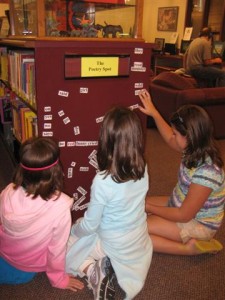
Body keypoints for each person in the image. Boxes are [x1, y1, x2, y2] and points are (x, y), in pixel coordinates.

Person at [66, 106, 153, 300]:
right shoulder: (142, 166)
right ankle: (106, 262)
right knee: (85, 227)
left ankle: (93, 272)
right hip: (137, 237)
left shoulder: (103, 181)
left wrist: (72, 230)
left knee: (65, 248)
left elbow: (90, 225)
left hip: (113, 243)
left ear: (106, 139)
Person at [138, 89, 225, 255]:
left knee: (137, 230)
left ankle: (188, 248)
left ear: (189, 136)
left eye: (176, 133)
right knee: (137, 205)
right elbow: (170, 139)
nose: (173, 136)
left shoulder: (207, 172)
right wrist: (154, 112)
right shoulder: (193, 147)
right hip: (179, 203)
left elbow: (184, 215)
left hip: (199, 224)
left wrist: (149, 207)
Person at [0, 137, 84, 291]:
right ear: (56, 171)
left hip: (4, 250)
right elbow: (56, 249)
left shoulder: (8, 191)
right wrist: (59, 279)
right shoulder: (60, 206)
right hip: (24, 269)